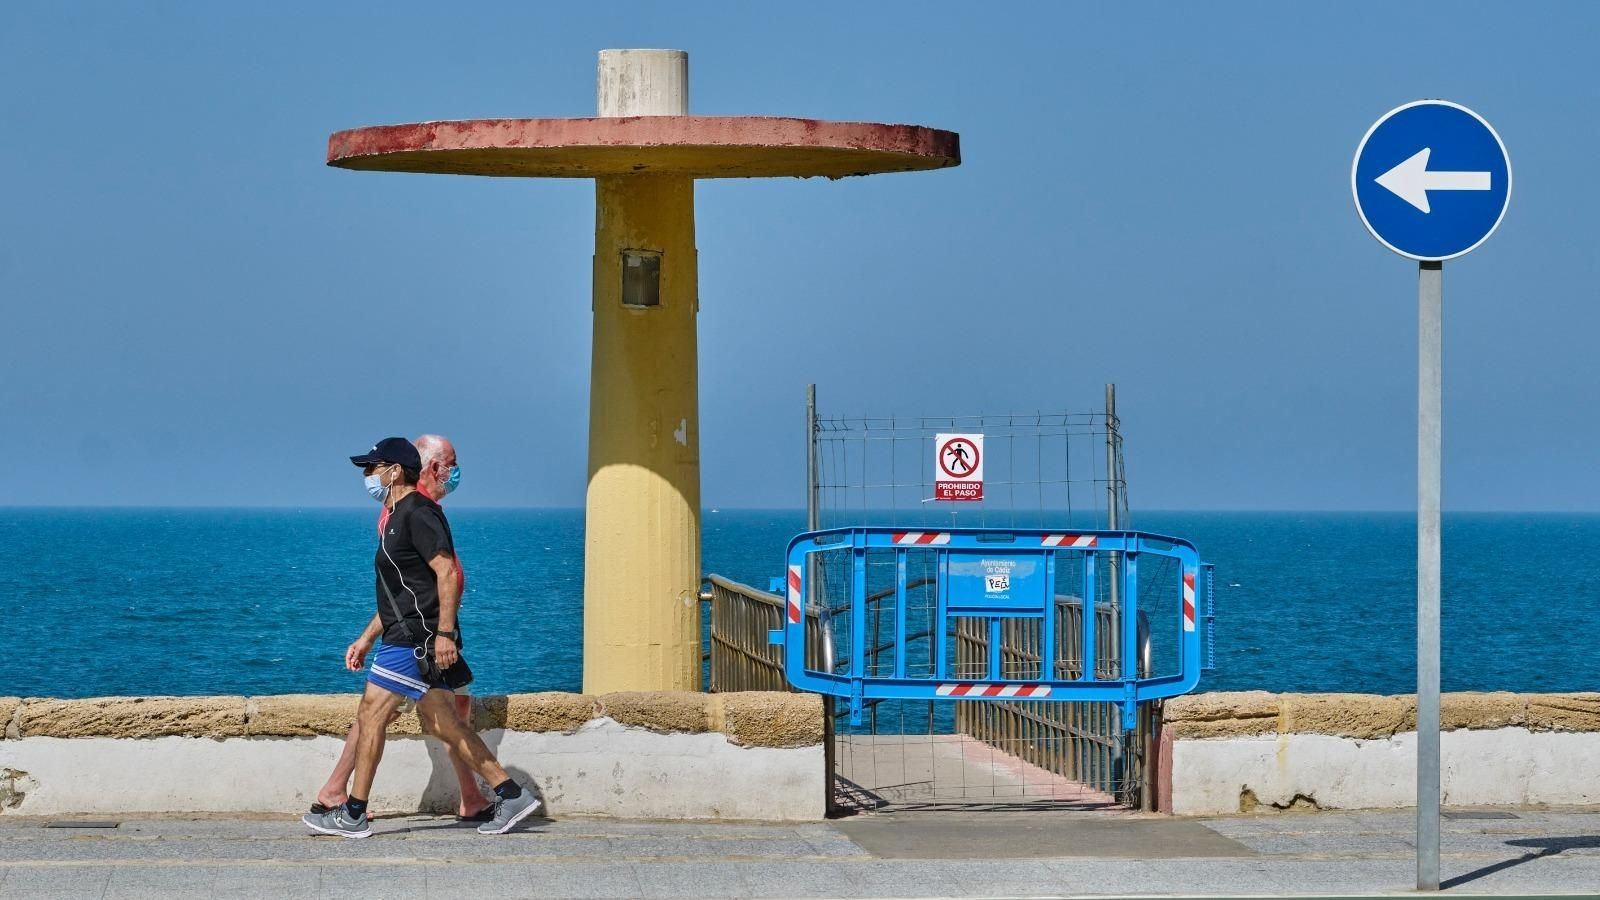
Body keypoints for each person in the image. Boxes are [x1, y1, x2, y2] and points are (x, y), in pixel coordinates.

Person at [302, 437, 540, 838]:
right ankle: (510, 793)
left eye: (372, 467)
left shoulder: (418, 513)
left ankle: (353, 812)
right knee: (444, 723)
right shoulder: (395, 515)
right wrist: (365, 638)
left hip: (416, 638)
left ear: (395, 470)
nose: (367, 475)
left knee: (371, 714)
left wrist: (444, 634)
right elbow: (402, 588)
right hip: (407, 633)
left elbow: (445, 572)